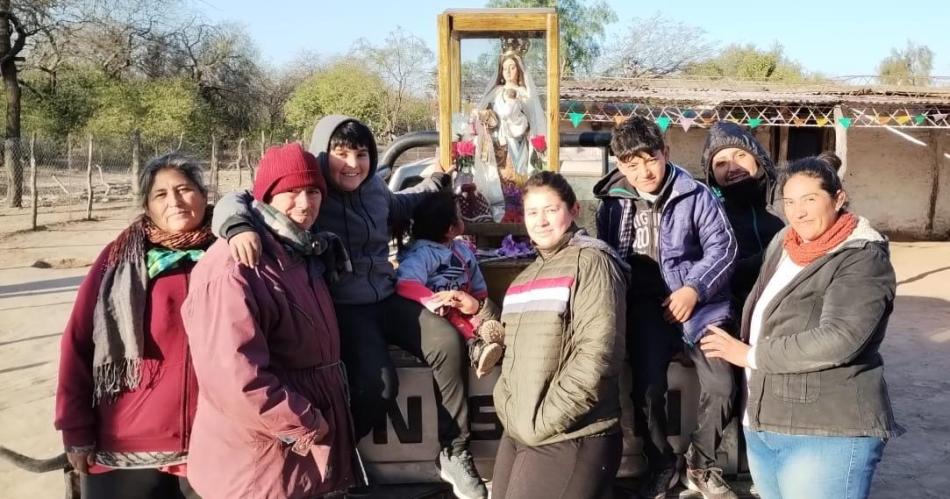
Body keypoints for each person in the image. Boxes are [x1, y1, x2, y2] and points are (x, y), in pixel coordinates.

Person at [213, 116, 489, 499]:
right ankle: (332, 459)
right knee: (379, 386)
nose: (353, 164)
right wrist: (237, 226)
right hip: (345, 306)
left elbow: (403, 202)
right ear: (322, 154)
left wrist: (436, 180)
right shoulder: (311, 191)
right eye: (341, 153)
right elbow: (241, 198)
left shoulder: (375, 189)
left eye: (361, 154)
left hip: (387, 295)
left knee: (446, 342)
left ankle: (454, 450)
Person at [700, 154, 901, 499]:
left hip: (826, 430)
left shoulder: (861, 257)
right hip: (765, 421)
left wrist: (749, 355)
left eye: (810, 199)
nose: (799, 212)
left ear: (838, 198)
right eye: (790, 202)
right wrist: (692, 283)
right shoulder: (787, 241)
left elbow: (840, 338)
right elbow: (741, 273)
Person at [181, 143, 355, 499]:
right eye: (292, 192)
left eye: (313, 192)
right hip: (256, 467)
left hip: (290, 460)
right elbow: (235, 379)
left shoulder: (299, 253)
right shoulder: (235, 267)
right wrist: (305, 422)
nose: (305, 204)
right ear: (267, 196)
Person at [594, 116, 738, 499]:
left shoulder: (696, 195)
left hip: (700, 306)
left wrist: (694, 289)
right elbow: (607, 258)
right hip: (645, 308)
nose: (644, 172)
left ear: (666, 153)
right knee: (646, 387)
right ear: (620, 164)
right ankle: (660, 463)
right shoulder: (612, 203)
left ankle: (701, 462)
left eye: (650, 159)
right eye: (632, 164)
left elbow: (724, 247)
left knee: (722, 384)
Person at [54, 154, 214, 499]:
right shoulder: (117, 260)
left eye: (184, 189)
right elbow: (78, 343)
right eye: (161, 194)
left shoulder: (231, 252)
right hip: (125, 446)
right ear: (147, 206)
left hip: (213, 442)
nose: (175, 201)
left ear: (204, 195)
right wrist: (75, 430)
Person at [491, 171, 627, 499]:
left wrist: (543, 419)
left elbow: (598, 355)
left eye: (551, 210)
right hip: (521, 430)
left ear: (573, 210)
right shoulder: (524, 277)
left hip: (573, 433)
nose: (541, 221)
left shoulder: (592, 262)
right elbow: (514, 354)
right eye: (532, 212)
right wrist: (507, 407)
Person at [394, 190, 505, 378]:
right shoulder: (422, 255)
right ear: (450, 229)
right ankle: (476, 350)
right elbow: (405, 283)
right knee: (456, 324)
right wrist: (433, 301)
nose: (463, 220)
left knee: (478, 322)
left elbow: (476, 281)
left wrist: (478, 303)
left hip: (463, 306)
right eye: (460, 216)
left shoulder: (462, 250)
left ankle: (488, 336)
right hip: (439, 315)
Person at [701, 121, 785, 312]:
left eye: (740, 155)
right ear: (711, 174)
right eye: (721, 163)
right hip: (736, 307)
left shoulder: (786, 196)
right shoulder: (710, 213)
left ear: (757, 158)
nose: (733, 167)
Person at [472, 39, 547, 222]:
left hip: (518, 143)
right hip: (497, 144)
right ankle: (501, 217)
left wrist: (520, 121)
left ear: (519, 70)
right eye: (505, 68)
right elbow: (481, 113)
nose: (508, 71)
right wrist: (485, 117)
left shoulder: (524, 93)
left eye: (512, 67)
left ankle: (518, 215)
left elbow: (534, 119)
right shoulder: (496, 92)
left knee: (518, 179)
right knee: (499, 180)